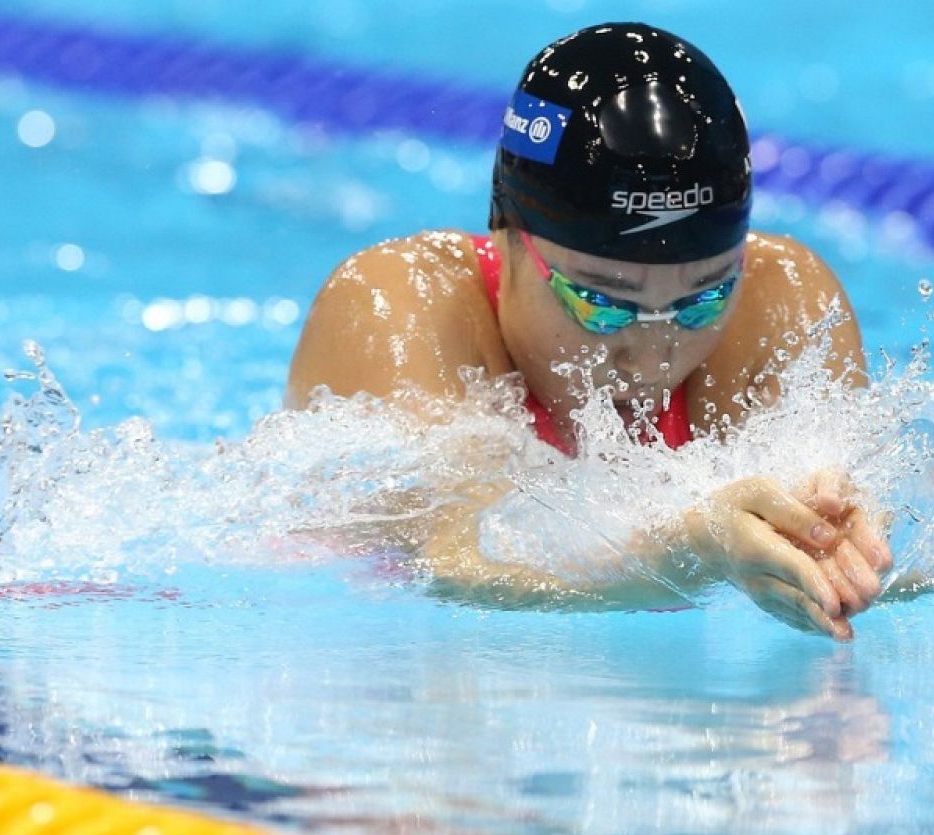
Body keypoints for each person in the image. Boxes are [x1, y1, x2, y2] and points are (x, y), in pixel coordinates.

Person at [286, 23, 893, 640]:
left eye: (703, 300)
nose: (653, 358)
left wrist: (851, 543)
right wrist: (685, 555)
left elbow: (907, 554)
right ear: (508, 236)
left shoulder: (780, 295)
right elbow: (451, 570)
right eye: (601, 304)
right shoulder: (401, 304)